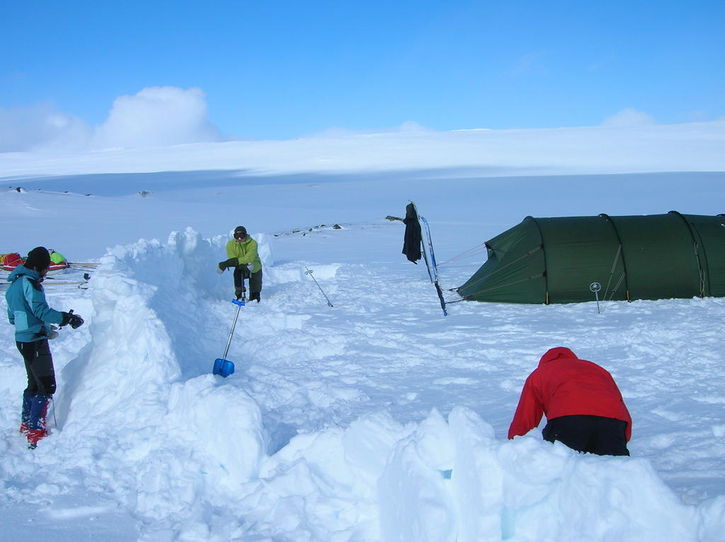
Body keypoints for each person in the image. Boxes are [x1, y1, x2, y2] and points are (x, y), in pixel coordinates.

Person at [5, 246, 84, 449]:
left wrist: (43, 328)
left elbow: (14, 316)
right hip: (34, 341)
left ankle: (26, 423)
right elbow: (40, 310)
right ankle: (36, 430)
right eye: (45, 268)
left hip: (23, 340)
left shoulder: (14, 284)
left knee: (33, 383)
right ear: (37, 267)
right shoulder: (31, 283)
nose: (46, 272)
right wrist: (66, 318)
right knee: (46, 386)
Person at [508, 347, 632, 456]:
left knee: (561, 466)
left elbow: (525, 417)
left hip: (568, 420)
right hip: (614, 422)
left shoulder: (540, 373)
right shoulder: (598, 370)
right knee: (614, 469)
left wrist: (514, 447)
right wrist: (621, 438)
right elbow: (618, 402)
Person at [217, 226, 263, 302]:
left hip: (254, 266)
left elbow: (249, 258)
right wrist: (239, 263)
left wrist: (227, 263)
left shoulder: (253, 243)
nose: (239, 238)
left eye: (242, 235)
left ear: (246, 235)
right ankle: (239, 296)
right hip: (240, 267)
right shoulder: (230, 245)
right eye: (237, 236)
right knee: (237, 273)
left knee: (255, 293)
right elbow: (233, 259)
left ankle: (254, 298)